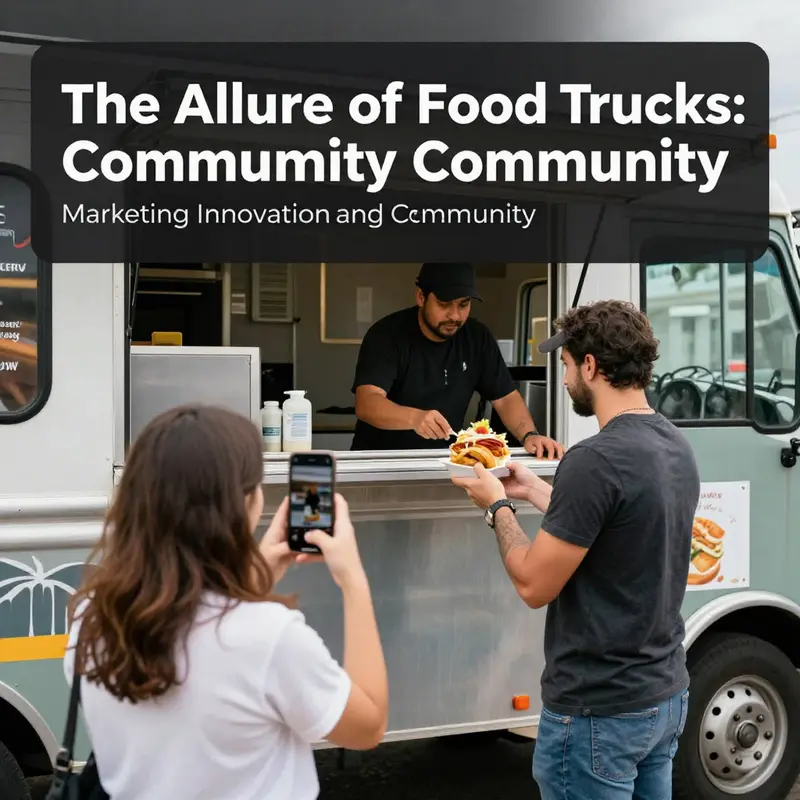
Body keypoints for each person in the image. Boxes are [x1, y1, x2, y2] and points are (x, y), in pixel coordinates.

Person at [63, 403, 388, 800]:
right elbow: (367, 726)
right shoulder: (270, 637)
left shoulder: (91, 615)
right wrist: (352, 579)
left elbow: (189, 626)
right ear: (243, 503)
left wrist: (254, 572)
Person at [450, 300, 700, 800]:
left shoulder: (595, 459)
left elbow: (533, 583)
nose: (563, 380)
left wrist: (496, 505)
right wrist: (537, 490)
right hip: (662, 695)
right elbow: (615, 529)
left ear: (590, 366)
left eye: (565, 365)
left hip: (598, 712)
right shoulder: (674, 444)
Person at [350, 262, 563, 458]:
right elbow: (367, 402)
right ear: (421, 297)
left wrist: (529, 435)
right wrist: (414, 418)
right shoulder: (387, 335)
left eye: (463, 304)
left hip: (445, 462)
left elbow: (505, 398)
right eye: (444, 304)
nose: (455, 316)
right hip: (379, 462)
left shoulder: (477, 338)